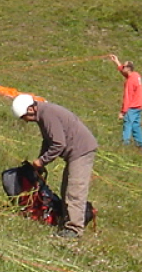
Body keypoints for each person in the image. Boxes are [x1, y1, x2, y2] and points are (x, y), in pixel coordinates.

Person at [12, 93, 98, 238]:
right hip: (75, 152)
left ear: (31, 109)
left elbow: (58, 143)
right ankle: (66, 221)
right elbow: (48, 141)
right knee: (66, 190)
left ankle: (75, 230)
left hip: (81, 151)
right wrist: (40, 161)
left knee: (74, 190)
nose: (26, 121)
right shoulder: (42, 114)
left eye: (24, 117)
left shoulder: (47, 114)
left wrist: (42, 161)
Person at [108, 53, 142, 147]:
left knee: (127, 125)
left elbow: (127, 97)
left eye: (124, 66)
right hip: (139, 106)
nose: (123, 67)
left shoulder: (130, 82)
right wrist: (117, 62)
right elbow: (125, 74)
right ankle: (140, 145)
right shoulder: (136, 75)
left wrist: (123, 112)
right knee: (136, 126)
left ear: (128, 68)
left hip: (131, 106)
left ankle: (125, 144)